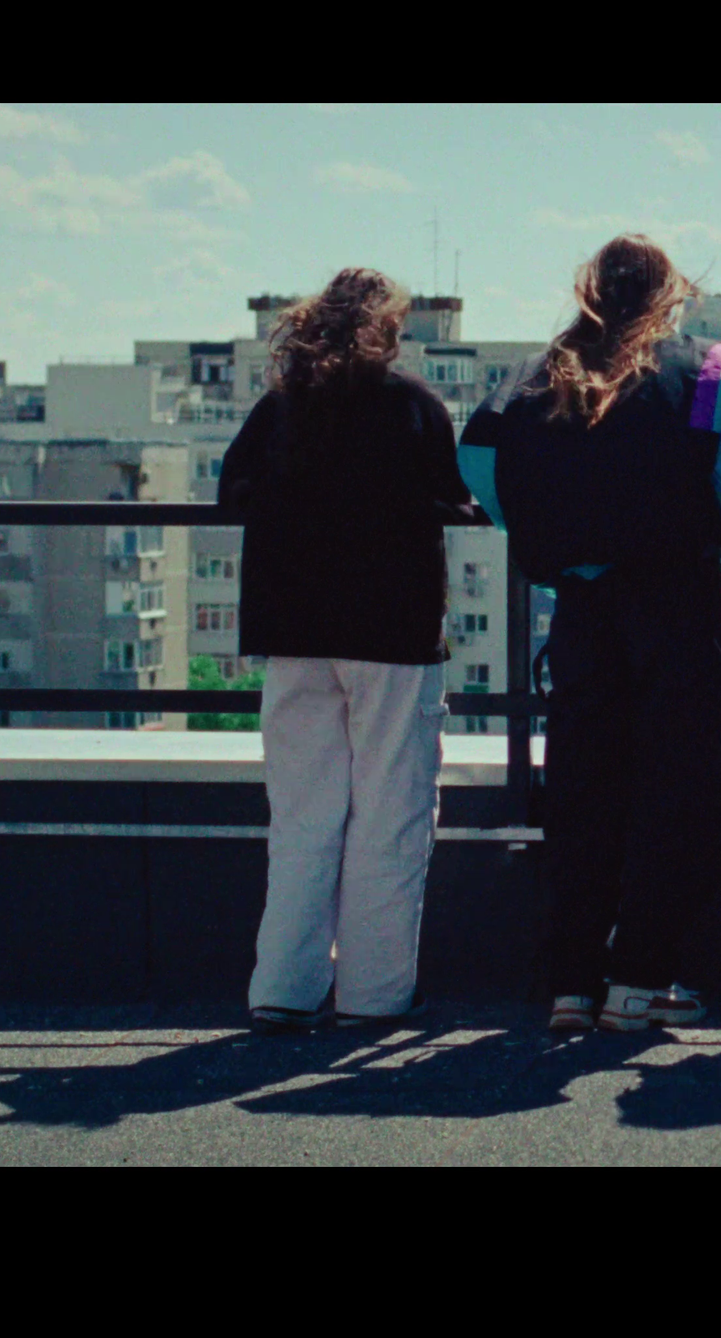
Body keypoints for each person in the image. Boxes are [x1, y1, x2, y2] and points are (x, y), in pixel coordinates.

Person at [459, 235, 721, 1035]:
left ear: (589, 288)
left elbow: (480, 464)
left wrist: (555, 535)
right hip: (676, 600)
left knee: (584, 791)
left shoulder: (534, 376)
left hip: (582, 605)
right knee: (683, 791)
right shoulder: (709, 368)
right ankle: (639, 979)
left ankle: (571, 982)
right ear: (672, 293)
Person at [220, 267, 473, 1035]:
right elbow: (456, 494)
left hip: (293, 634)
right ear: (386, 330)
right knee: (389, 815)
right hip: (390, 637)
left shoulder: (282, 408)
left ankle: (283, 988)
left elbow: (233, 492)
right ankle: (374, 994)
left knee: (302, 815)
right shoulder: (410, 407)